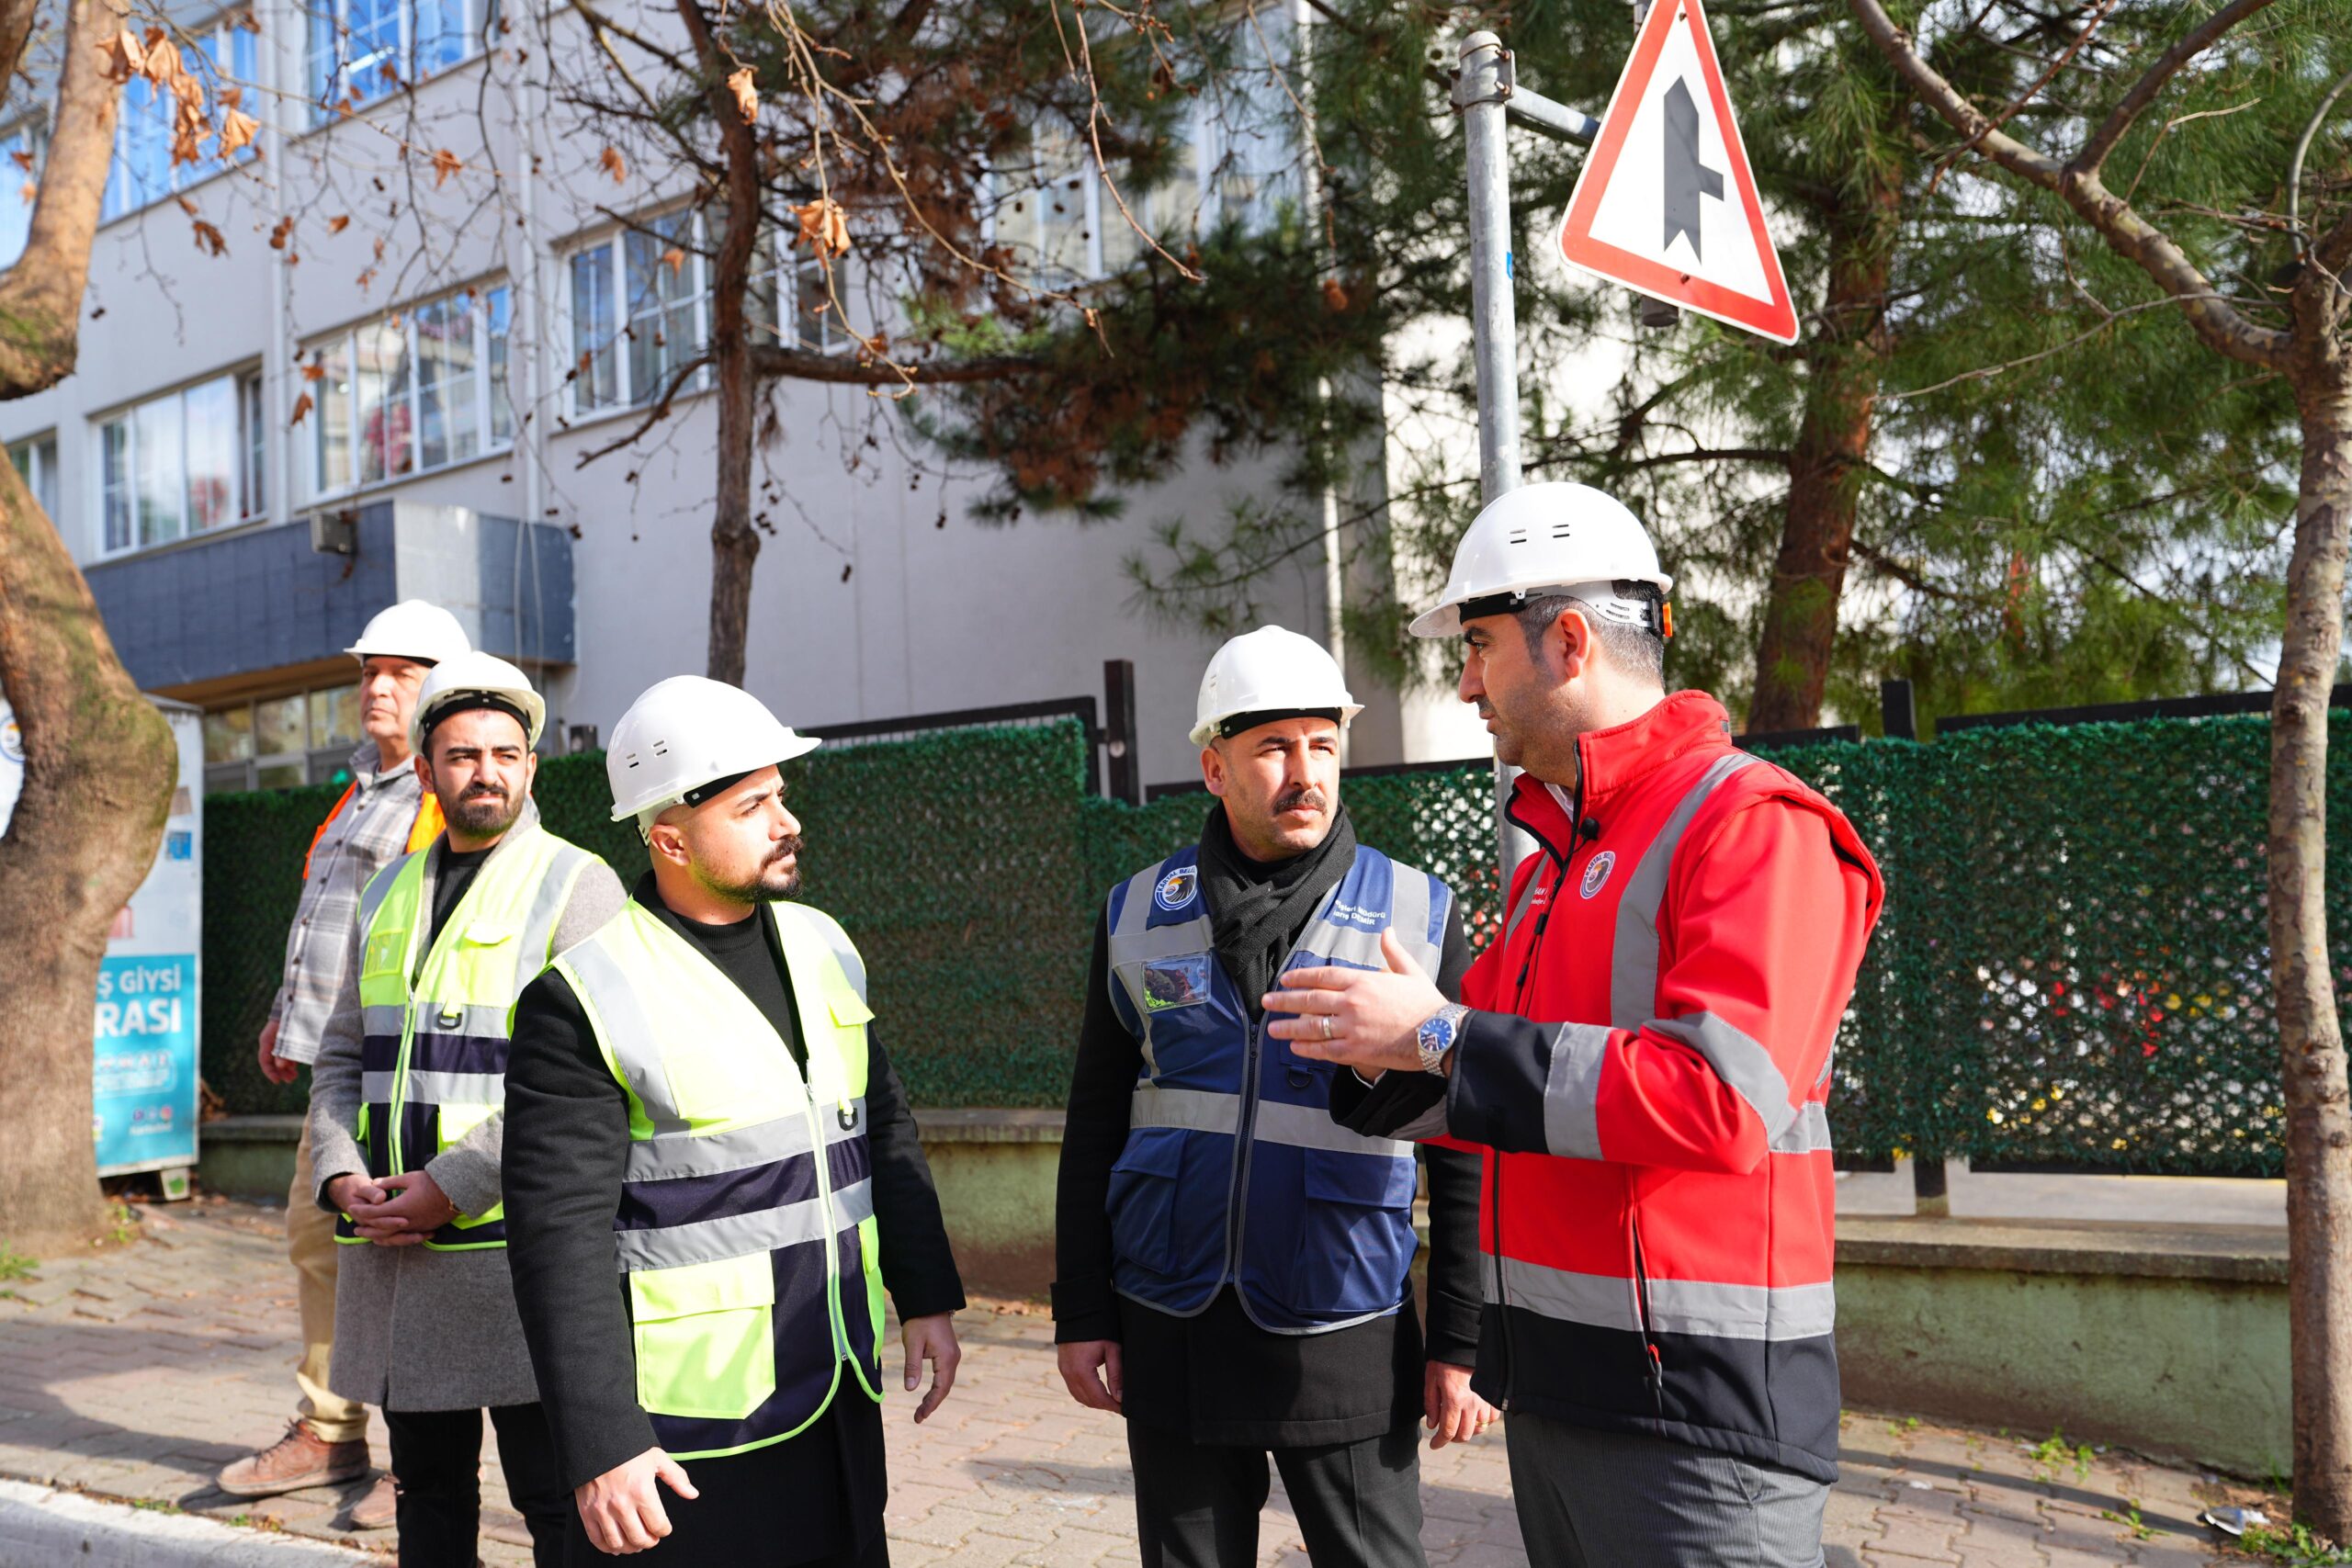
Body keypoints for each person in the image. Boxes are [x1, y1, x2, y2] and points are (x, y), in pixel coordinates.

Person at [1265, 483, 1884, 1568]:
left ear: (1565, 641)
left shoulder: (1754, 826)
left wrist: (1439, 1038)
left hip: (1699, 1416)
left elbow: (1720, 1102)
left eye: (1476, 646)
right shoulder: (1566, 860)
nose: (1463, 685)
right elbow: (1482, 1083)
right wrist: (1365, 1046)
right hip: (1560, 1393)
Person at [1053, 626, 1495, 1568]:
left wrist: (1461, 1340)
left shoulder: (1418, 915)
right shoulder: (1136, 912)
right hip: (1170, 1321)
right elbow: (1095, 1119)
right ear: (1214, 768)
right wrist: (1082, 1311)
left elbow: (1466, 1149)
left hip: (1344, 1329)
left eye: (1323, 743)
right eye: (1273, 748)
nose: (1306, 772)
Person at [502, 675, 966, 1565]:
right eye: (752, 805)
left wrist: (930, 1299)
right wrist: (602, 1442)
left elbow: (880, 1132)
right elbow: (557, 1242)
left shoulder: (823, 944)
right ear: (669, 836)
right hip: (687, 1437)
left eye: (780, 798)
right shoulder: (582, 997)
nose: (786, 822)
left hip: (833, 1390)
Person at [308, 652, 626, 1566]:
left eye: (503, 753)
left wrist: (451, 1184)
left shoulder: (579, 886)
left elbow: (593, 1086)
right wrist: (340, 1173)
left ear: (531, 766)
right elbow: (340, 1054)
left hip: (521, 1258)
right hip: (399, 1260)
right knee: (431, 1500)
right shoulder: (388, 892)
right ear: (425, 772)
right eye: (460, 756)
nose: (483, 772)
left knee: (558, 1505)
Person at [220, 599, 469, 1529]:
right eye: (369, 669)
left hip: (403, 1078)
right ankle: (331, 1432)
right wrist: (287, 1021)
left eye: (401, 671)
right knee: (318, 1244)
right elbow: (325, 919)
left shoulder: (453, 791)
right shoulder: (360, 788)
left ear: (442, 685)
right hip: (333, 1070)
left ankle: (426, 1460)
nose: (377, 685)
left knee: (414, 1260)